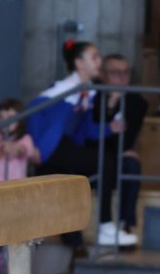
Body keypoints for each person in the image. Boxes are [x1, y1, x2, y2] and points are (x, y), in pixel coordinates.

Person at [27, 39, 134, 248]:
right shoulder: (63, 90)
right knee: (103, 161)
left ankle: (78, 240)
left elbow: (85, 130)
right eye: (94, 57)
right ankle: (104, 225)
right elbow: (35, 112)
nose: (99, 62)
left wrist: (109, 128)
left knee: (93, 169)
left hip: (67, 147)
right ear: (79, 63)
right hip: (52, 150)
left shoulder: (88, 91)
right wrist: (38, 148)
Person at [89, 54, 147, 239]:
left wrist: (120, 148)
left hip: (116, 159)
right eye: (115, 73)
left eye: (126, 72)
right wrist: (111, 106)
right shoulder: (92, 97)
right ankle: (102, 227)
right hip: (92, 157)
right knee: (105, 161)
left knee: (132, 165)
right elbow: (91, 137)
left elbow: (127, 140)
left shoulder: (137, 102)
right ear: (103, 75)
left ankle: (125, 224)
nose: (122, 78)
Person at [0, 98, 38, 274]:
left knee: (16, 233)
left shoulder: (25, 139)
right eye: (2, 117)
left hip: (16, 195)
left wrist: (15, 148)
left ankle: (13, 270)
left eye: (11, 117)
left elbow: (29, 152)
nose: (6, 121)